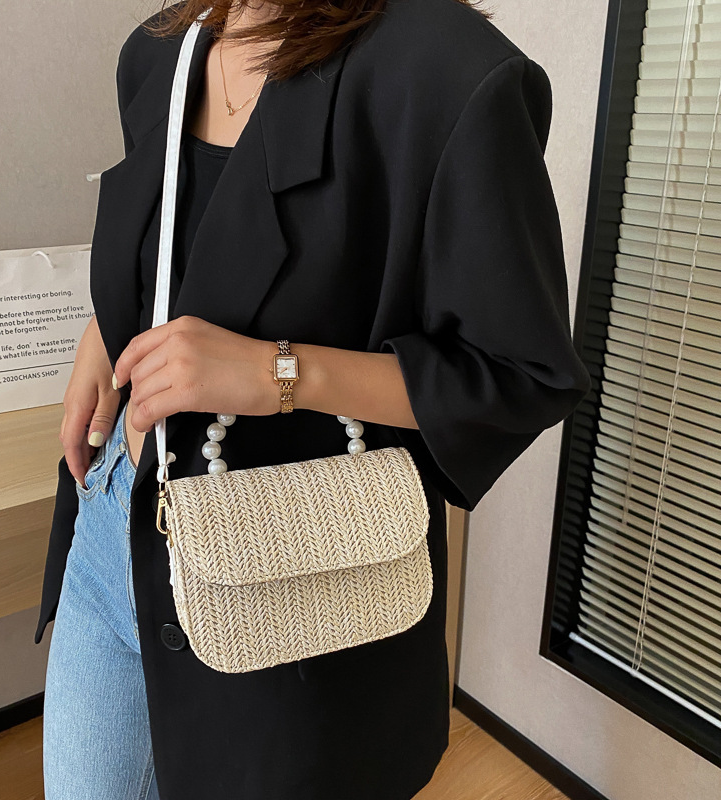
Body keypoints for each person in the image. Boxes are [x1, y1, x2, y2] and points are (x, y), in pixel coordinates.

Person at [35, 0, 592, 798]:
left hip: (290, 577)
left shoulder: (448, 73)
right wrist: (103, 334)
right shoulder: (161, 51)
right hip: (113, 530)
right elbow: (184, 240)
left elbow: (519, 373)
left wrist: (280, 374)